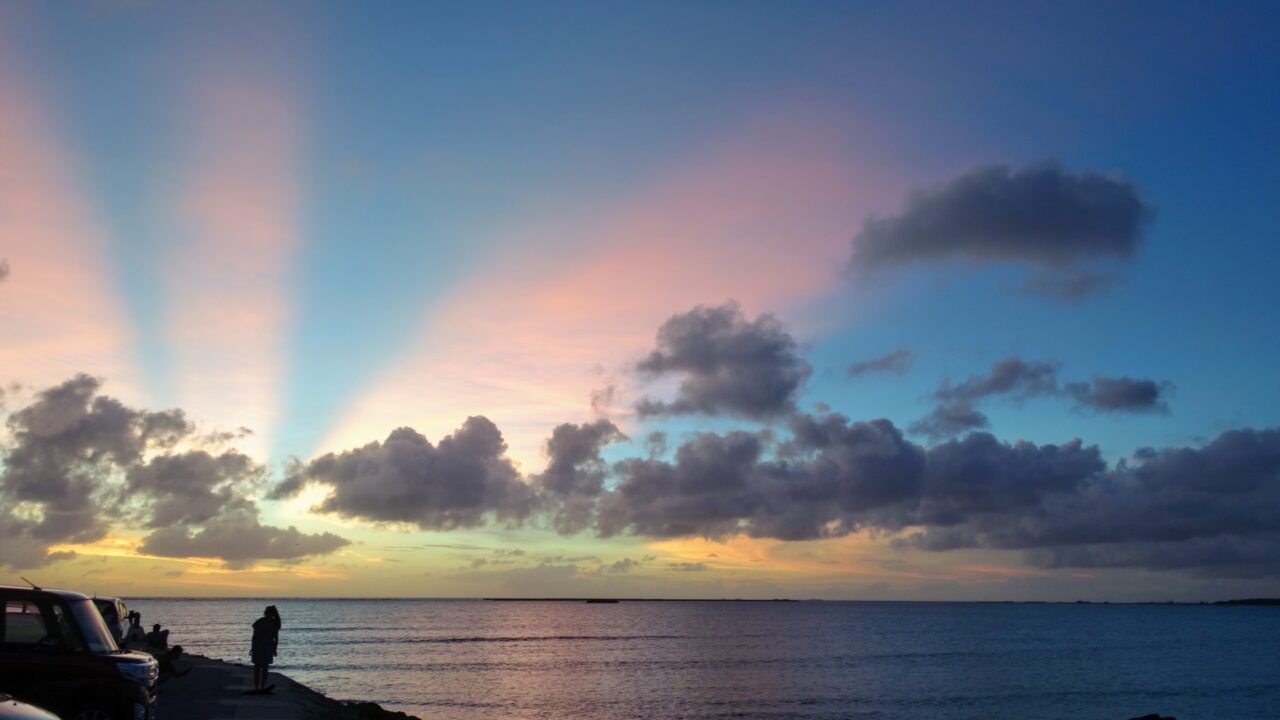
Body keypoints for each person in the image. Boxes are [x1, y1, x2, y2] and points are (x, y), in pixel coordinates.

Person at [250, 605, 281, 691]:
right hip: (259, 646)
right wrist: (252, 647)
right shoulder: (261, 622)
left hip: (266, 647)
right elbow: (254, 636)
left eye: (270, 614)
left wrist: (274, 649)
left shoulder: (274, 624)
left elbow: (276, 639)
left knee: (264, 668)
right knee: (258, 667)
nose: (269, 615)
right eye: (268, 613)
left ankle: (261, 687)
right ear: (266, 613)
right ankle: (257, 687)